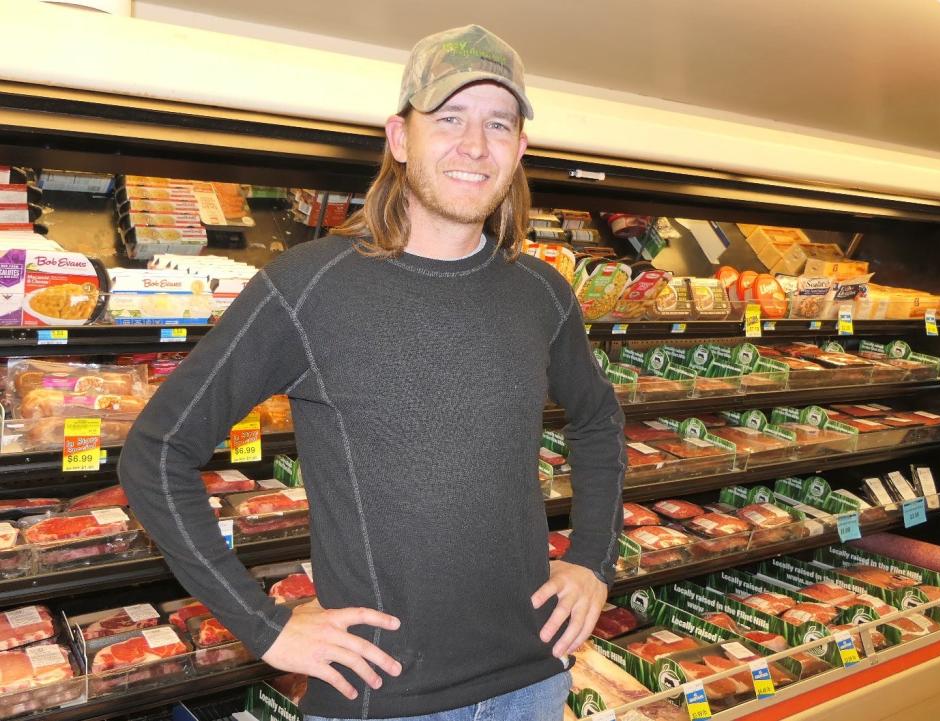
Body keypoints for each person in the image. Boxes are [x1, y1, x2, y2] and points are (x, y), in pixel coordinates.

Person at [119, 23, 624, 721]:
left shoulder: (540, 291)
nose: (474, 146)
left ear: (520, 149)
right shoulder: (308, 286)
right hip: (386, 700)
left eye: (497, 125)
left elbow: (598, 418)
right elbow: (156, 451)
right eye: (449, 119)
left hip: (535, 682)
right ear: (398, 137)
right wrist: (265, 625)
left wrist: (593, 557)